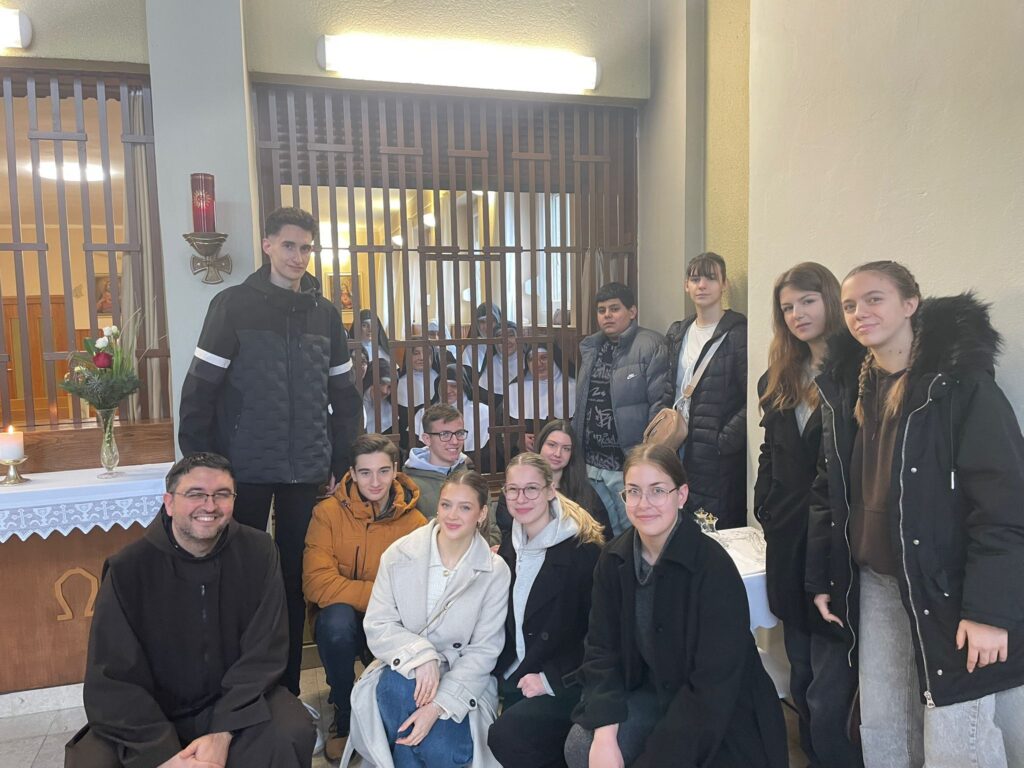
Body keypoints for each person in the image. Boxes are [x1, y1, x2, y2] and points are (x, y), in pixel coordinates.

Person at [808, 261, 1024, 767]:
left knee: (956, 741)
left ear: (910, 304)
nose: (860, 313)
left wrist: (989, 612)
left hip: (949, 588)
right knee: (884, 730)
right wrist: (824, 576)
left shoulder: (961, 388)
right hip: (876, 584)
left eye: (874, 299)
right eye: (850, 305)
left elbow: (1004, 505)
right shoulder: (847, 390)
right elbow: (828, 492)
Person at [178, 205, 362, 697]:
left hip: (308, 470)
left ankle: (287, 691)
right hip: (244, 470)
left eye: (306, 248)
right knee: (237, 576)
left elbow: (345, 398)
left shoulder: (326, 314)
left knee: (295, 579)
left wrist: (340, 460)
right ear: (267, 245)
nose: (298, 256)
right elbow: (199, 393)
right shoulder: (232, 305)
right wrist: (200, 470)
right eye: (288, 245)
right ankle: (238, 688)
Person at [65, 453, 316, 768]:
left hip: (236, 704)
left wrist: (223, 732)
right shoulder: (129, 568)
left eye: (222, 494)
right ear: (169, 503)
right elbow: (112, 674)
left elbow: (265, 651)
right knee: (92, 760)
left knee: (289, 731)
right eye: (196, 494)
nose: (209, 506)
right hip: (153, 713)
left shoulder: (258, 552)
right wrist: (164, 754)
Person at [565, 444, 788, 768]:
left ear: (681, 495)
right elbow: (602, 650)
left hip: (718, 706)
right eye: (633, 491)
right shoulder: (613, 561)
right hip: (652, 691)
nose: (644, 503)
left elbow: (713, 684)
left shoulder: (713, 567)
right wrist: (605, 732)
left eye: (658, 491)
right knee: (581, 747)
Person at [754, 263, 862, 768]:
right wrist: (765, 505)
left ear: (831, 301)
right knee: (799, 666)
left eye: (807, 301)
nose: (796, 314)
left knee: (831, 673)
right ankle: (816, 755)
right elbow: (770, 452)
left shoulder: (857, 374)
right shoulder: (778, 376)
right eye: (787, 307)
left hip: (836, 537)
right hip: (787, 536)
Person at [340, 470, 511, 768]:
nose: (452, 515)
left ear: (482, 513)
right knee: (397, 690)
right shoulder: (400, 554)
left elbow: (484, 651)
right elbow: (379, 624)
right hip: (403, 668)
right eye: (446, 505)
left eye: (465, 507)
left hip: (461, 677)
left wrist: (436, 707)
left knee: (443, 751)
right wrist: (422, 657)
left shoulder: (494, 570)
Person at [303, 434, 428, 761]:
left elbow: (418, 586)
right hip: (343, 618)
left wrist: (385, 605)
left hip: (391, 619)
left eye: (383, 471)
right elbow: (317, 583)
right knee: (337, 620)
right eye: (366, 472)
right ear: (352, 474)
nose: (375, 481)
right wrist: (382, 595)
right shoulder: (327, 513)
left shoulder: (414, 521)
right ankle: (344, 712)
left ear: (395, 470)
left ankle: (387, 711)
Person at [487, 453, 604, 768]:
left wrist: (551, 679)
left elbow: (599, 634)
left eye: (531, 489)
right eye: (513, 490)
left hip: (565, 677)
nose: (520, 498)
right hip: (516, 670)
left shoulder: (584, 552)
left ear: (551, 489)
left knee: (507, 736)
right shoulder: (512, 543)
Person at [573, 281, 669, 536]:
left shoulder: (650, 345)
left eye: (614, 309)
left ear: (632, 311)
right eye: (601, 310)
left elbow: (659, 406)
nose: (607, 315)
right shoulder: (592, 347)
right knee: (602, 533)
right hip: (592, 463)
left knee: (636, 531)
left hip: (626, 463)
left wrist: (646, 457)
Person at [665, 251, 748, 529]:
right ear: (686, 286)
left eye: (711, 278)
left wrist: (723, 440)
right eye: (695, 279)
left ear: (724, 285)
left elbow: (752, 397)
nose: (702, 285)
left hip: (715, 455)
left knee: (712, 528)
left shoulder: (737, 333)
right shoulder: (678, 332)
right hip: (678, 445)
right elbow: (668, 387)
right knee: (679, 524)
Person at [494, 419, 612, 540]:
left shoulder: (586, 492)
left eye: (566, 448)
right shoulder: (517, 488)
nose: (557, 454)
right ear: (540, 445)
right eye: (552, 445)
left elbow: (603, 535)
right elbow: (506, 532)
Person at [405, 402, 502, 546]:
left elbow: (493, 533)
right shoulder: (408, 485)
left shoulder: (474, 480)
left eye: (459, 433)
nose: (455, 441)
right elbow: (409, 540)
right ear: (426, 439)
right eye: (445, 435)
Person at [506, 343, 576, 452]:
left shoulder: (573, 388)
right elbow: (502, 426)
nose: (538, 364)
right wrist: (518, 439)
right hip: (526, 456)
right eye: (531, 359)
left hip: (561, 454)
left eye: (544, 357)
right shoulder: (515, 389)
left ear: (555, 359)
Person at [413, 363, 493, 458]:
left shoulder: (483, 412)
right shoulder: (424, 413)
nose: (447, 391)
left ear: (464, 387)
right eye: (443, 386)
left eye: (454, 386)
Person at [396, 337, 440, 450]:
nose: (421, 357)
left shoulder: (440, 378)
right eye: (416, 353)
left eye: (426, 353)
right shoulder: (403, 382)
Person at [363, 358, 396, 433]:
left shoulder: (390, 409)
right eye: (382, 383)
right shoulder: (354, 403)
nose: (384, 391)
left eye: (390, 387)